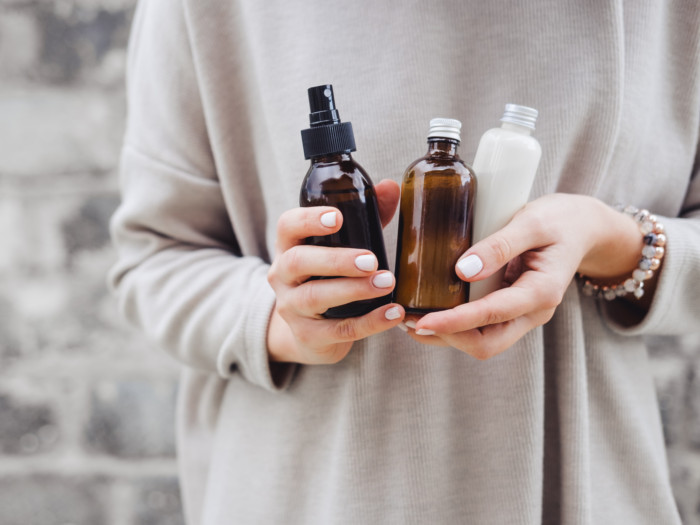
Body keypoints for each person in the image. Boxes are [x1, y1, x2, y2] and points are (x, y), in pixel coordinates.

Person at [109, 1, 700, 523]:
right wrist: (283, 319)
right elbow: (153, 258)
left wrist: (616, 243)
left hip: (578, 479)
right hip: (315, 490)